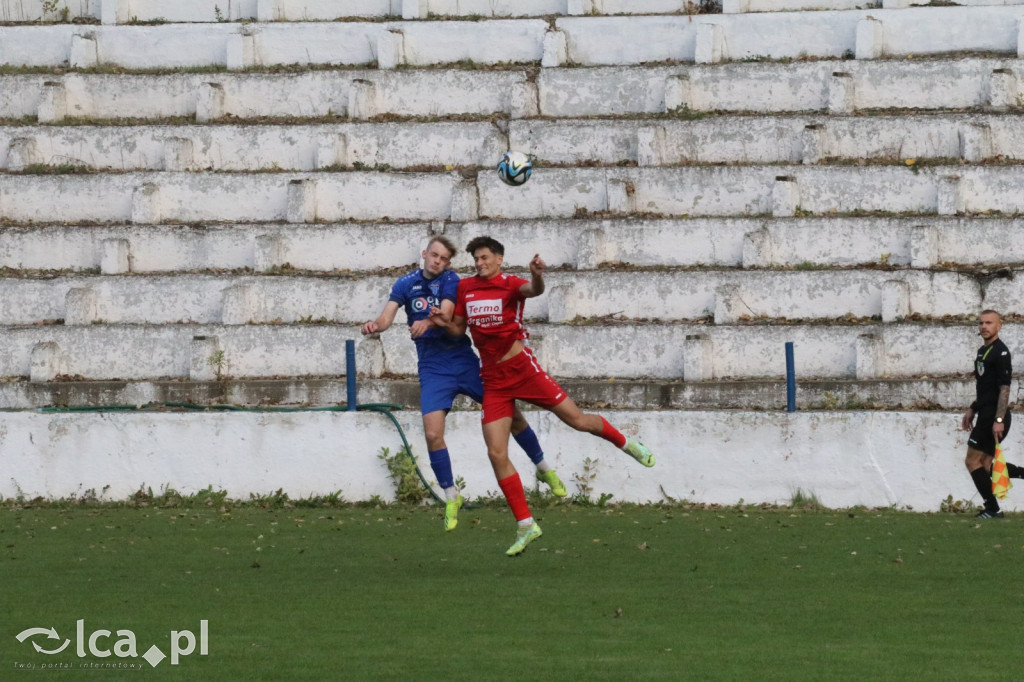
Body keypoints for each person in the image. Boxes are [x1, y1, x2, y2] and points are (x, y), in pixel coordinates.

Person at [431, 236, 655, 556]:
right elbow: (458, 329)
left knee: (577, 420)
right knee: (496, 453)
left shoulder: (511, 284)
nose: (479, 264)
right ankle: (526, 524)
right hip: (493, 380)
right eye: (476, 259)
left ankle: (627, 443)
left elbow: (533, 291)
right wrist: (443, 322)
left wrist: (537, 274)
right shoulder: (466, 289)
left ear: (498, 259)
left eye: (483, 258)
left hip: (524, 371)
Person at [361, 235, 566, 532]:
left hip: (463, 362)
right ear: (425, 253)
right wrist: (373, 326)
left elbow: (449, 317)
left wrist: (429, 322)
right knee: (432, 434)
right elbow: (385, 319)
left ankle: (543, 467)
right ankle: (451, 495)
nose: (438, 261)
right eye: (434, 255)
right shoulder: (405, 284)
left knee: (514, 418)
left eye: (444, 258)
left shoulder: (452, 281)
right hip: (432, 367)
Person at [960, 309, 1024, 518]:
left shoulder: (1001, 352)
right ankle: (1018, 477)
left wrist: (998, 419)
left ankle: (992, 508)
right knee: (985, 465)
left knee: (972, 461)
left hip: (994, 416)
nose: (984, 327)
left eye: (989, 323)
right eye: (981, 323)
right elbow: (984, 387)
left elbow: (1004, 388)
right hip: (984, 412)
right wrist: (972, 408)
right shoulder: (982, 351)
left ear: (999, 325)